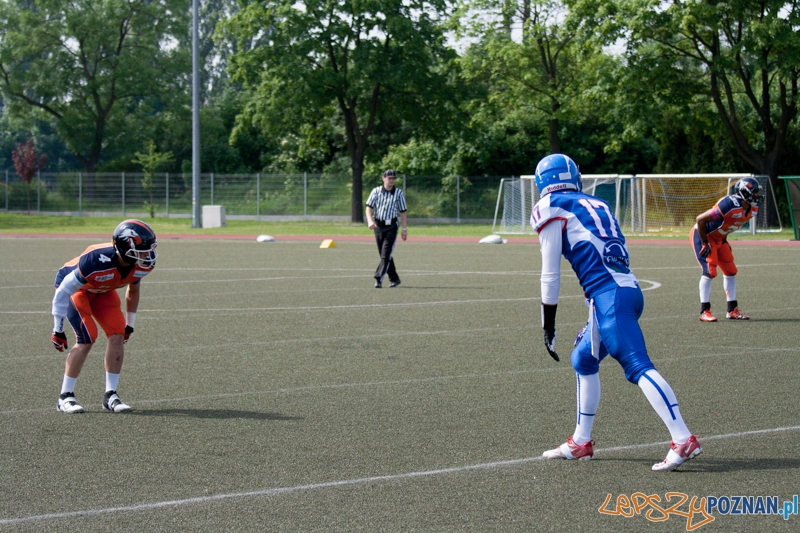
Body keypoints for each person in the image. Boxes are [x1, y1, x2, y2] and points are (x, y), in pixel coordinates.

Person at [530, 154, 701, 472]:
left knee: (637, 365)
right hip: (625, 292)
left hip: (609, 298)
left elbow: (550, 274)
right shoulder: (598, 204)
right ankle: (581, 442)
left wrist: (547, 322)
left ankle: (682, 438)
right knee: (583, 359)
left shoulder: (550, 207)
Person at [50, 219, 158, 413]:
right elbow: (63, 291)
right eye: (142, 250)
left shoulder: (142, 265)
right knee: (87, 338)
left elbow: (133, 291)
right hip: (78, 290)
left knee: (117, 332)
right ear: (125, 247)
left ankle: (111, 395)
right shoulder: (96, 260)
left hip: (102, 290)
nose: (147, 255)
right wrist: (57, 328)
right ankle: (65, 396)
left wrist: (130, 325)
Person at [691, 177, 761, 322]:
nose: (757, 195)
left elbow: (728, 224)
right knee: (709, 271)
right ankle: (704, 311)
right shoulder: (729, 204)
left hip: (719, 238)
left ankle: (732, 310)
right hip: (703, 235)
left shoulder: (752, 209)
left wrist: (724, 239)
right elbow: (700, 220)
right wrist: (704, 242)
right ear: (744, 192)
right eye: (754, 192)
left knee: (730, 270)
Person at [365, 169, 408, 288]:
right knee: (384, 254)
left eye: (393, 178)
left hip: (391, 226)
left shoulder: (398, 193)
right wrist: (370, 221)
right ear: (383, 178)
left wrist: (404, 229)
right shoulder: (376, 191)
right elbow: (369, 207)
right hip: (378, 225)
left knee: (386, 253)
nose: (392, 181)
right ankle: (394, 278)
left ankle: (378, 278)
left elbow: (403, 212)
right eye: (389, 178)